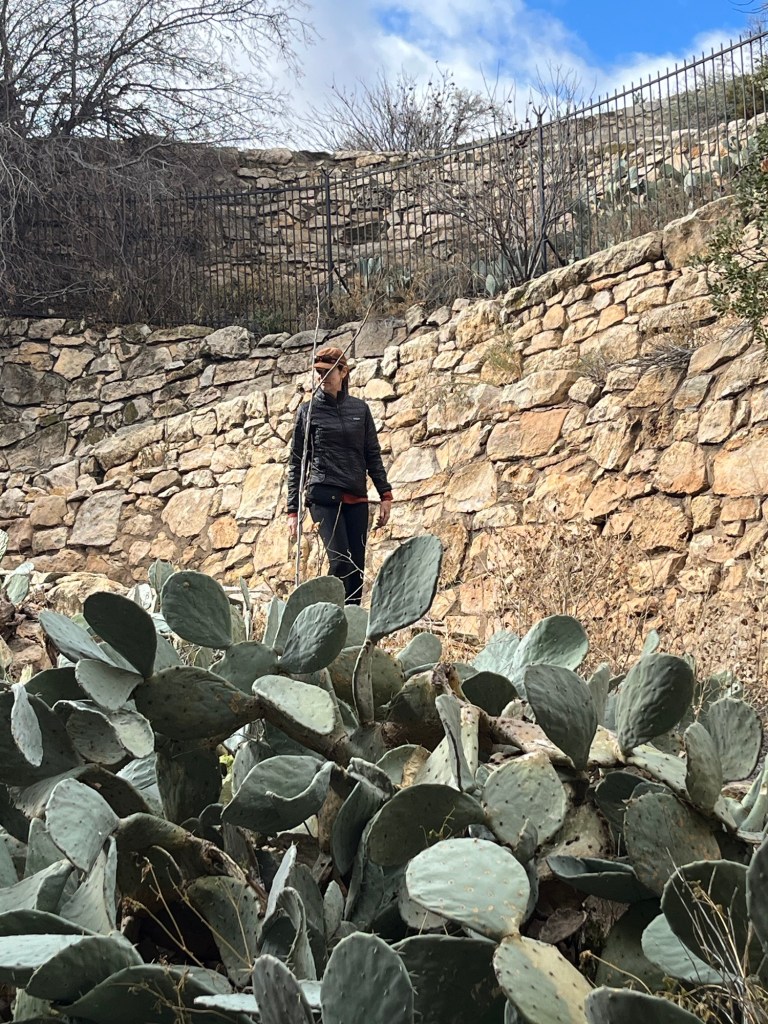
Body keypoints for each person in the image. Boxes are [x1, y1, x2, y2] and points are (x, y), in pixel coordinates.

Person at [286, 346, 393, 605]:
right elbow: (297, 462)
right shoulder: (307, 412)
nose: (322, 377)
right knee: (340, 562)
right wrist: (292, 510)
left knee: (356, 570)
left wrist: (385, 494)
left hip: (356, 497)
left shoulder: (360, 410)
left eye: (328, 372)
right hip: (324, 496)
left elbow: (372, 454)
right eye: (319, 372)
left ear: (343, 373)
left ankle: (351, 624)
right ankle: (329, 619)